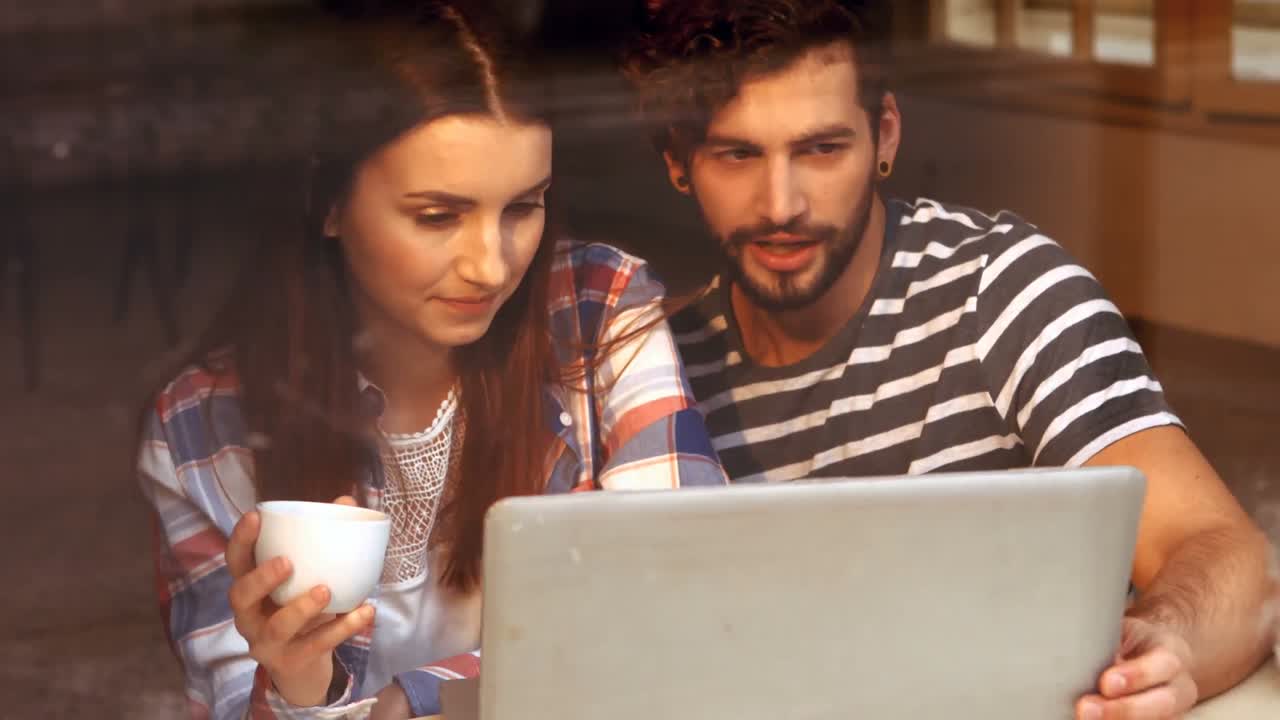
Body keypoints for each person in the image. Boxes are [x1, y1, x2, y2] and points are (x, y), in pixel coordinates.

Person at [622, 1, 1277, 718]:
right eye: (737, 154)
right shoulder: (658, 371)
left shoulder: (1000, 293)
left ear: (886, 137)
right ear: (678, 164)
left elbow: (1225, 554)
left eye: (822, 149)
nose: (782, 204)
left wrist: (1168, 645)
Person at [136, 3, 725, 718]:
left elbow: (678, 603)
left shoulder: (597, 308)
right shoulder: (204, 423)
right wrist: (298, 688)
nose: (489, 265)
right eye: (437, 216)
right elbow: (236, 700)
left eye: (523, 208)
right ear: (329, 205)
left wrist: (413, 698)